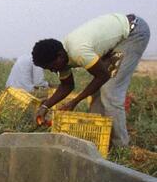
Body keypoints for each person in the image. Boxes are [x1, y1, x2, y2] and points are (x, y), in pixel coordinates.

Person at [32, 13, 150, 147]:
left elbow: (103, 76)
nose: (52, 71)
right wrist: (45, 106)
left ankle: (121, 147)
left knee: (110, 91)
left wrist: (75, 101)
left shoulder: (78, 51)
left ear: (59, 56)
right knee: (97, 90)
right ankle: (99, 141)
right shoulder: (62, 57)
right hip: (116, 42)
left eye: (51, 67)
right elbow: (67, 86)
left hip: (133, 33)